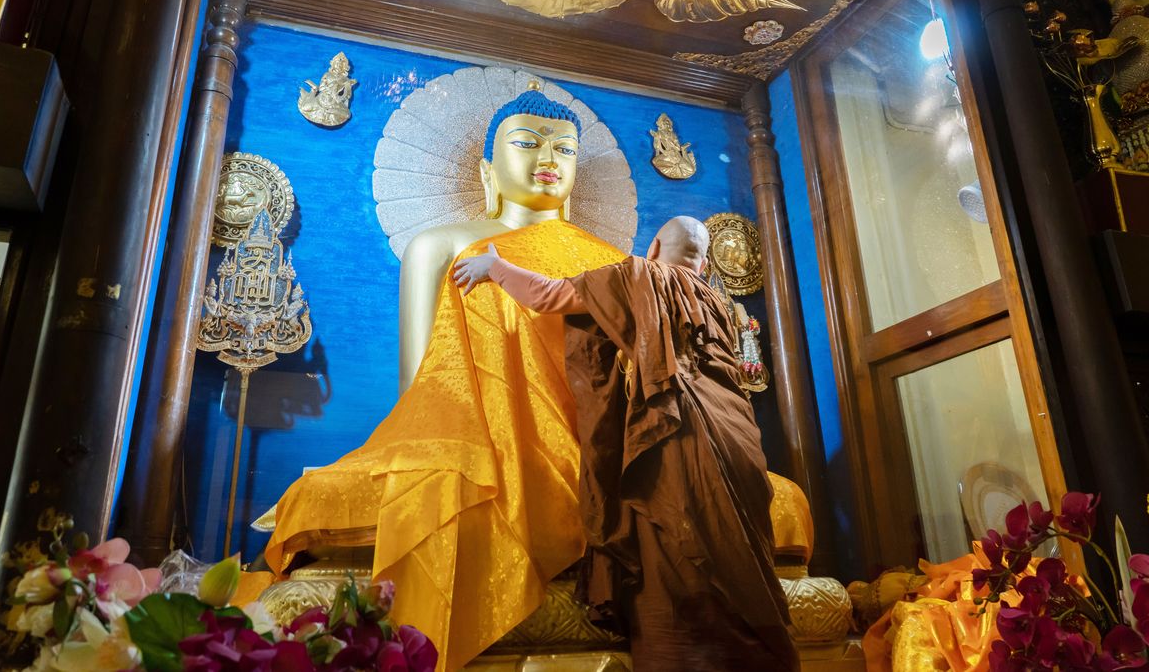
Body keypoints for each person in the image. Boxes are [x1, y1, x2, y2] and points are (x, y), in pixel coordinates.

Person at [257, 85, 628, 672]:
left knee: (759, 497)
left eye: (564, 148)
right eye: (527, 143)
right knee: (340, 494)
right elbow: (422, 384)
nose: (548, 159)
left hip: (591, 442)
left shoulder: (611, 262)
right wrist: (440, 454)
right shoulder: (442, 244)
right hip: (459, 431)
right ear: (488, 168)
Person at [452, 216, 799, 672]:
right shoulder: (718, 302)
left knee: (676, 548)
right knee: (739, 551)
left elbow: (548, 296)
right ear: (705, 259)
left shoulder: (638, 274)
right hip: (739, 442)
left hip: (680, 437)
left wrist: (494, 267)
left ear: (654, 246)